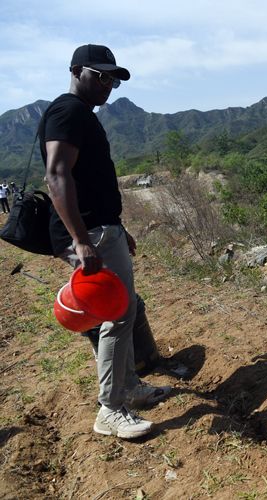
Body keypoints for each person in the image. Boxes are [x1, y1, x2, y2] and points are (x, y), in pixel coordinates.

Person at [40, 44, 170, 439]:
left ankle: (128, 385)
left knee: (122, 309)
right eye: (101, 75)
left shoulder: (81, 114)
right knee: (116, 314)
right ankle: (110, 409)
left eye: (113, 78)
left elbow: (87, 181)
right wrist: (82, 240)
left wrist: (117, 227)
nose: (108, 84)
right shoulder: (69, 111)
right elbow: (56, 175)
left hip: (101, 228)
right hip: (89, 233)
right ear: (76, 70)